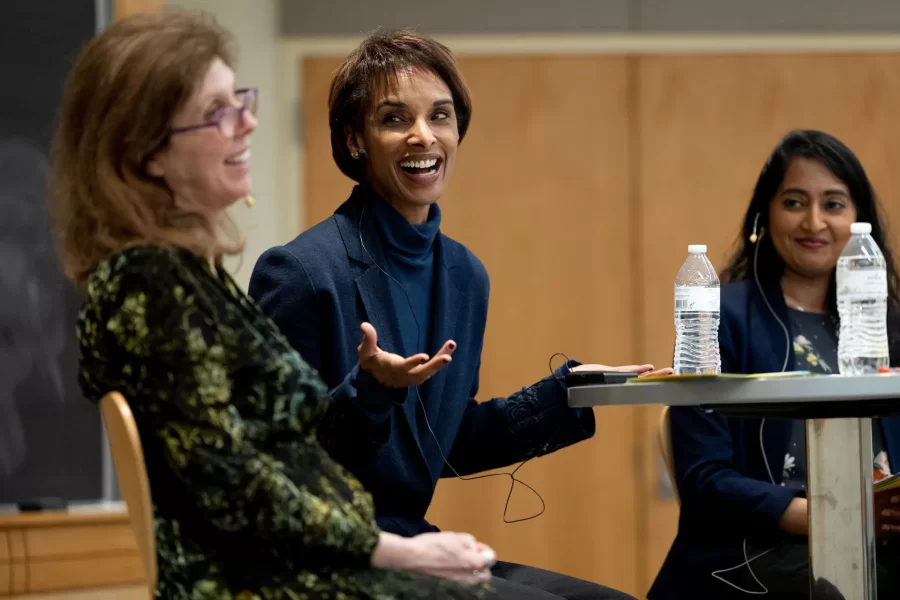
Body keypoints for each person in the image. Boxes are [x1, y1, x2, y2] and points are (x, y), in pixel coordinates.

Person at [51, 11, 502, 599]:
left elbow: (284, 445)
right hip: (275, 581)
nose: (248, 123)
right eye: (216, 113)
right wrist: (400, 551)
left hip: (314, 564)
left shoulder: (182, 274)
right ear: (147, 153)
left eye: (239, 101)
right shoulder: (149, 285)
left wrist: (373, 389)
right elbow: (231, 479)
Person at [249, 28, 670, 600]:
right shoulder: (300, 273)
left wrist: (567, 394)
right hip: (331, 560)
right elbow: (276, 463)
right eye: (395, 119)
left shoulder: (465, 276)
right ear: (354, 139)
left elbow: (446, 443)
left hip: (416, 545)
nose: (423, 136)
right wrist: (370, 392)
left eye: (440, 116)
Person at [648, 129, 900, 599]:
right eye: (794, 202)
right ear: (765, 216)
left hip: (881, 543)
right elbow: (703, 478)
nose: (814, 222)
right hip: (756, 553)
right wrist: (823, 518)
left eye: (834, 204)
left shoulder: (890, 323)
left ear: (858, 220)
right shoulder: (722, 316)